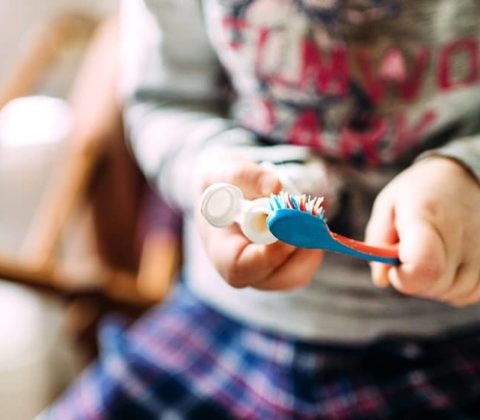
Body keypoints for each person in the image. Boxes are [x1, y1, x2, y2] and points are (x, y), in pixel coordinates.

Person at [42, 0, 480, 418]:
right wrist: (215, 170)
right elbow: (167, 102)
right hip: (224, 323)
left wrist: (469, 173)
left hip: (457, 338)